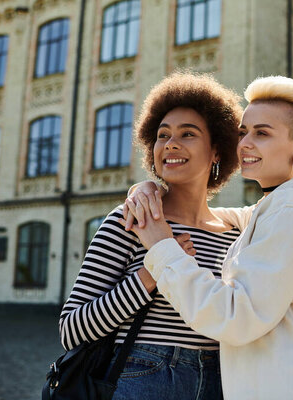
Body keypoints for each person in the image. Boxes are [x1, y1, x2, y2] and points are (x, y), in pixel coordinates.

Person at [125, 76, 293, 399]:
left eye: (262, 133)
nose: (245, 144)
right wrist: (151, 189)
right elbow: (220, 217)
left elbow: (235, 318)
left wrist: (162, 248)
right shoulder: (275, 208)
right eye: (243, 132)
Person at [58, 72, 243, 400]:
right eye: (162, 135)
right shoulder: (132, 221)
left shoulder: (236, 235)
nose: (171, 143)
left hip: (224, 381)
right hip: (143, 379)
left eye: (188, 134)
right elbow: (72, 330)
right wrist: (152, 272)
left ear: (217, 151)